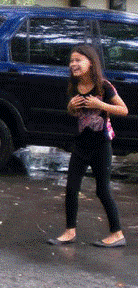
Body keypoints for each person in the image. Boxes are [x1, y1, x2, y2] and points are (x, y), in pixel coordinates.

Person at [47, 45, 127, 248]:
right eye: (71, 61)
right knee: (71, 188)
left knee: (103, 190)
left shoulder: (103, 86)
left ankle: (117, 234)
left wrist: (101, 105)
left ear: (90, 62)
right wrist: (71, 107)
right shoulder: (73, 86)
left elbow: (123, 110)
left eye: (78, 60)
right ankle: (69, 232)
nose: (73, 64)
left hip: (101, 145)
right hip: (81, 144)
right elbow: (74, 113)